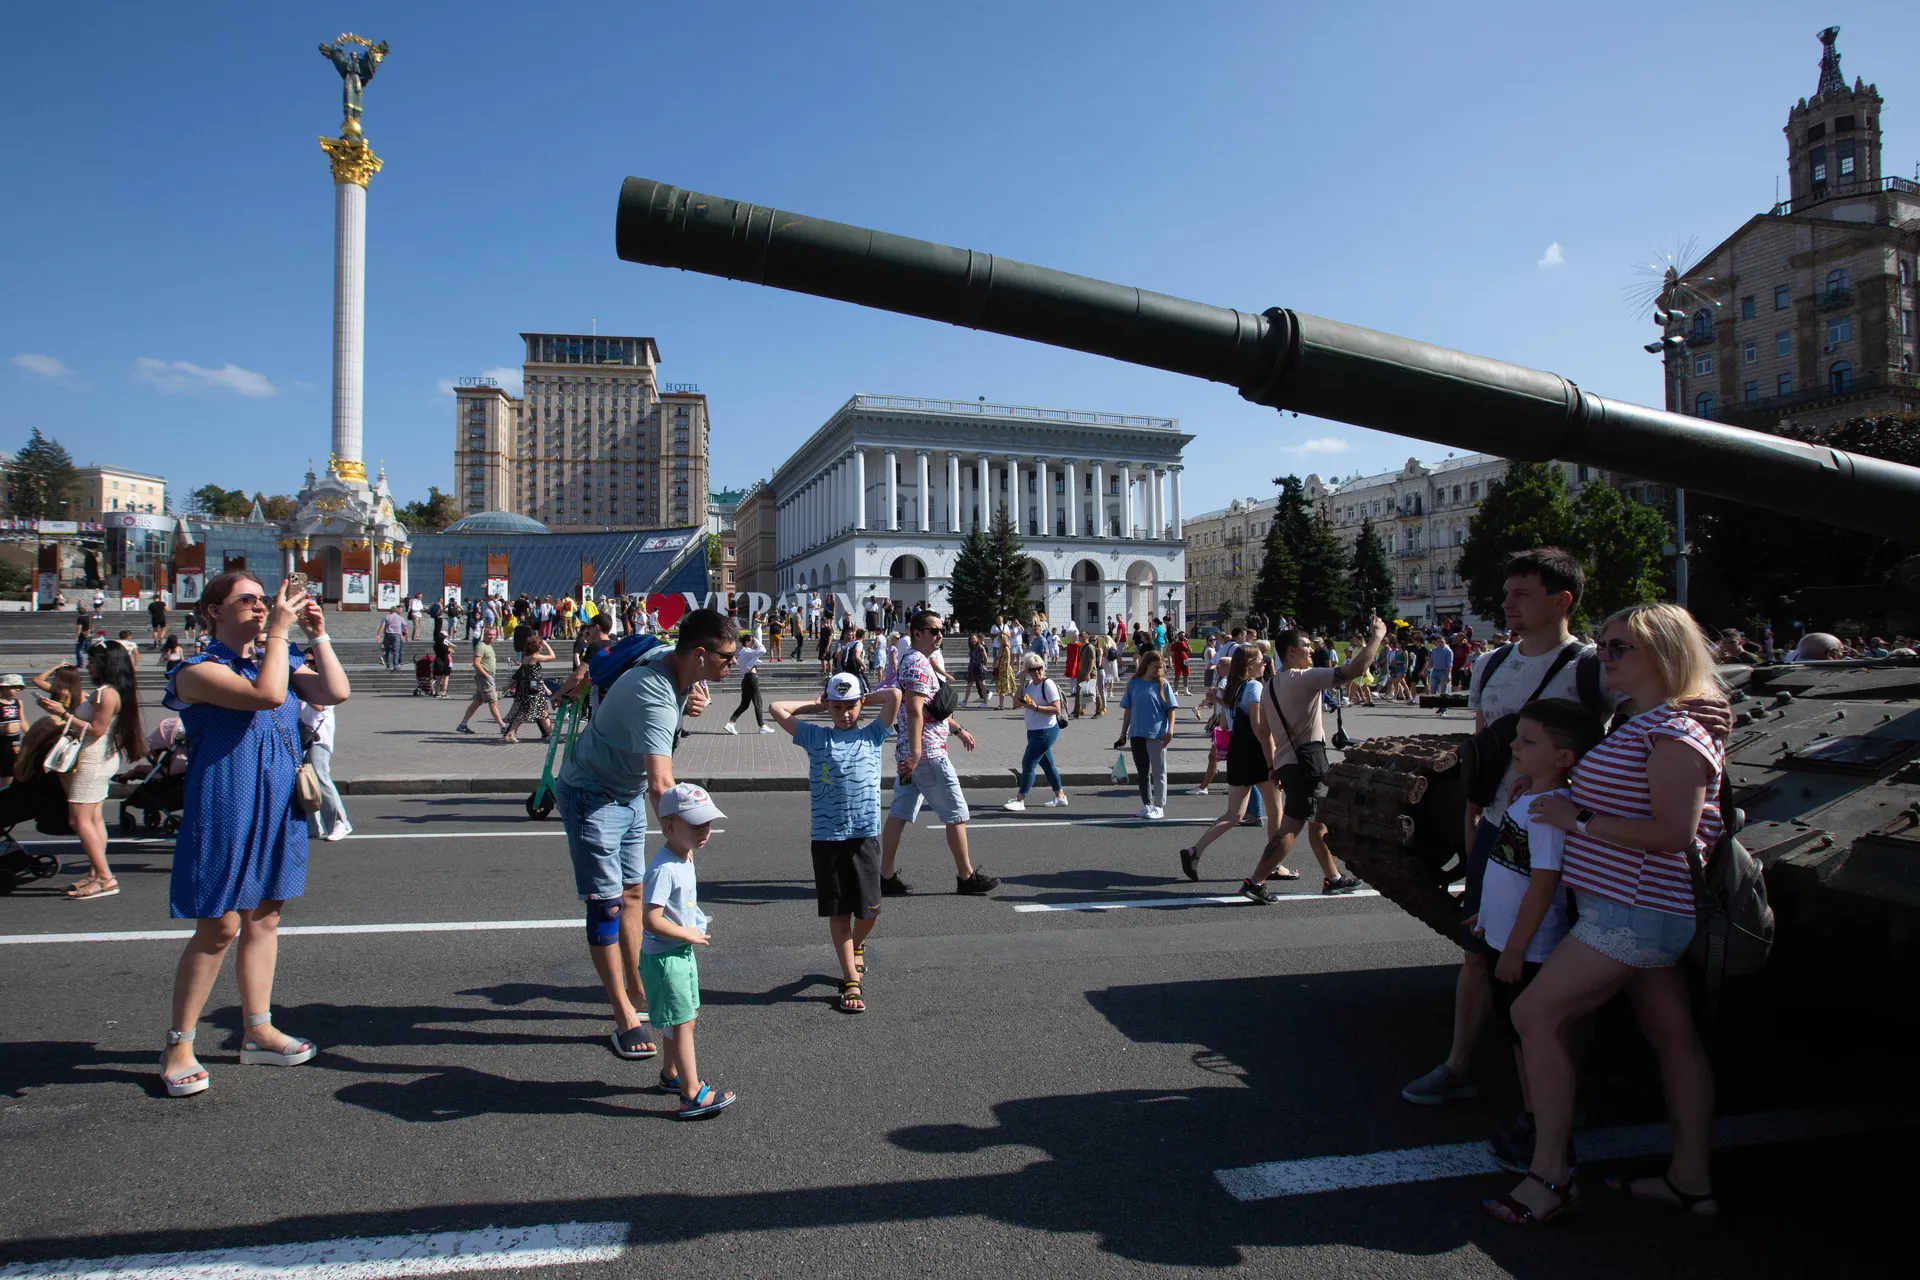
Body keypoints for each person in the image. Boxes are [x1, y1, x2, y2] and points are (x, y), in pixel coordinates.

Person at [1487, 603, 1727, 1227]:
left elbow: (1676, 832)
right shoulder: (1639, 721)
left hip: (1635, 909)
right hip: (1628, 905)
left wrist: (1576, 818)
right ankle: (1690, 1182)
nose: (1605, 656)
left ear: (1665, 656)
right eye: (1605, 645)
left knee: (1533, 1015)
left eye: (1620, 648)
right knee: (1672, 1037)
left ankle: (1550, 1175)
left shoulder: (1672, 733)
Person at [159, 572, 350, 1098]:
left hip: (276, 799)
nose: (262, 607)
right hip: (224, 801)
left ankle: (257, 1029)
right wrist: (282, 632)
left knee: (265, 916)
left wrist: (319, 634)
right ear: (212, 611)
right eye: (247, 600)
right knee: (220, 925)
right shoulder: (195, 671)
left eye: (264, 600)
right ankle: (178, 1044)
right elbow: (267, 697)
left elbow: (335, 691)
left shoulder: (282, 660)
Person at [553, 609, 729, 1066]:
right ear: (700, 654)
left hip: (624, 792)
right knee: (607, 903)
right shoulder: (654, 695)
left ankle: (636, 986)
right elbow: (661, 783)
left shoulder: (672, 664)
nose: (734, 665)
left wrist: (688, 695)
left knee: (633, 893)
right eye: (727, 657)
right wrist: (683, 840)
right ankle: (623, 1015)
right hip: (593, 795)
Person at [1469, 698, 1599, 1175]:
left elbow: (1544, 883)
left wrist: (1517, 948)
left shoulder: (1549, 810)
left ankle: (1544, 1128)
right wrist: (1484, 917)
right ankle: (1533, 1116)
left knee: (1531, 1038)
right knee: (1516, 1035)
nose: (1514, 746)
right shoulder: (1528, 798)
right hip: (1504, 936)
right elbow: (1509, 869)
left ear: (1563, 758)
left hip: (1528, 947)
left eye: (1528, 741)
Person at [771, 674, 902, 1014]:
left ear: (860, 705)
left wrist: (863, 698)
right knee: (840, 910)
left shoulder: (873, 734)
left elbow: (895, 696)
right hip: (828, 839)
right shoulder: (816, 737)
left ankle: (855, 945)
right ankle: (850, 980)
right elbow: (775, 708)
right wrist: (818, 704)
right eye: (837, 707)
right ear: (828, 707)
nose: (844, 713)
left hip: (864, 835)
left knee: (871, 909)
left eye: (850, 706)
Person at [1239, 616, 1387, 901]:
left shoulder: (1268, 686)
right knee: (1292, 824)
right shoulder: (1307, 678)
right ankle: (1255, 882)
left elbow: (1264, 731)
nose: (1311, 650)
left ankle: (1333, 877)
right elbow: (1355, 669)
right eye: (1306, 646)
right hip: (1309, 760)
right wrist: (1377, 637)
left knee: (1318, 820)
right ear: (1290, 652)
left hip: (1287, 761)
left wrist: (1273, 766)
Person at [878, 610, 998, 897]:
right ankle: (966, 876)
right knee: (956, 813)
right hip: (927, 754)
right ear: (917, 633)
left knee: (899, 812)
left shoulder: (913, 660)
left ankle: (884, 875)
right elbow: (915, 709)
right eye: (933, 630)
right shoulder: (919, 664)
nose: (939, 635)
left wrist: (957, 729)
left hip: (910, 753)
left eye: (941, 629)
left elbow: (932, 709)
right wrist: (918, 753)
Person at [640, 782, 736, 1118]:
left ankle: (671, 1075)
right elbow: (650, 920)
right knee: (682, 1023)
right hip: (667, 957)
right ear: (669, 827)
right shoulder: (664, 869)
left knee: (685, 1017)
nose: (705, 830)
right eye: (696, 824)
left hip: (679, 952)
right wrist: (688, 933)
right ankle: (692, 1094)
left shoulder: (683, 853)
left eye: (707, 822)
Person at [39, 643, 147, 900]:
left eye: (91, 661)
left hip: (92, 759)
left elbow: (97, 729)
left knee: (79, 819)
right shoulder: (111, 691)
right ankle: (96, 874)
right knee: (94, 818)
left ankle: (106, 877)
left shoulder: (106, 693)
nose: (87, 666)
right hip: (100, 757)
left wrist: (63, 713)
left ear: (105, 663)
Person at [1177, 645, 1278, 876]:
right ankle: (1274, 864)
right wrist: (1272, 762)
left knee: (1234, 814)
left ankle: (1195, 850)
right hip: (1255, 754)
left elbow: (1223, 725)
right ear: (1249, 664)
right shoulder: (1254, 686)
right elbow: (1258, 727)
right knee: (1275, 811)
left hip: (1236, 753)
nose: (1266, 663)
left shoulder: (1233, 687)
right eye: (1261, 660)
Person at [1116, 651, 1178, 819]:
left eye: (1161, 667)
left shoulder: (1162, 684)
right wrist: (1123, 733)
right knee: (1142, 772)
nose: (1159, 670)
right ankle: (1147, 804)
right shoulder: (1134, 683)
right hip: (1137, 733)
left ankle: (1159, 805)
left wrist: (1170, 731)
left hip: (1156, 734)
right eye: (1155, 667)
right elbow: (1128, 709)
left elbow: (1171, 709)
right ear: (1146, 665)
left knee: (1158, 771)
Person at [1004, 653, 1068, 811]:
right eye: (1033, 669)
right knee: (1047, 763)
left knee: (1028, 763)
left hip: (1046, 730)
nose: (1038, 672)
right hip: (1033, 730)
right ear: (1027, 671)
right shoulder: (1030, 685)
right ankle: (1060, 796)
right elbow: (1016, 704)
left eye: (1040, 668)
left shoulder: (1048, 684)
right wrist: (1021, 682)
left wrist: (1036, 708)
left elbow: (1056, 709)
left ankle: (1020, 800)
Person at [299, 691, 351, 842]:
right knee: (305, 780)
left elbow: (321, 706)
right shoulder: (297, 681)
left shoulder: (320, 682)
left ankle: (340, 822)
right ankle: (313, 826)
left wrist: (300, 692)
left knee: (320, 777)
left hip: (319, 737)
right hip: (300, 736)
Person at [501, 630, 557, 744]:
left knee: (526, 712)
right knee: (542, 712)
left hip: (527, 687)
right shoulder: (534, 657)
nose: (541, 647)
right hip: (535, 689)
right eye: (540, 646)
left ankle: (510, 733)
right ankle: (551, 735)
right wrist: (546, 644)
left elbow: (535, 675)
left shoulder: (525, 656)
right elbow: (553, 656)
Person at [456, 625, 504, 733]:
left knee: (477, 701)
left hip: (486, 678)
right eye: (489, 634)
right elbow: (476, 663)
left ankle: (462, 724)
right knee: (493, 702)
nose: (492, 636)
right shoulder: (481, 646)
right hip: (485, 678)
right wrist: (487, 676)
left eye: (494, 635)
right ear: (485, 635)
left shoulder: (489, 646)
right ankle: (502, 726)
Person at [724, 633, 773, 734]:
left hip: (746, 679)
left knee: (745, 704)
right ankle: (762, 726)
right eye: (751, 641)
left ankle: (731, 723)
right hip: (751, 678)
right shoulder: (747, 651)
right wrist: (757, 641)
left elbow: (756, 657)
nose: (753, 643)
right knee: (758, 702)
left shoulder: (744, 653)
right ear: (747, 643)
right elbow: (762, 650)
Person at [1429, 632, 1455, 712]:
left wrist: (1448, 675)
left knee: (1444, 692)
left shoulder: (1448, 651)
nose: (1440, 643)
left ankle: (1444, 709)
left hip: (1444, 672)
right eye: (1438, 642)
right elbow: (1431, 661)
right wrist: (1425, 670)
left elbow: (1449, 664)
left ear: (1445, 642)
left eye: (1442, 642)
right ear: (1436, 642)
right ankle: (1439, 704)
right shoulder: (1434, 650)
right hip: (1435, 672)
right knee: (1432, 690)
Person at [376, 603, 405, 671]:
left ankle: (389, 664)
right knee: (396, 650)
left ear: (391, 611)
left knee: (388, 650)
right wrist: (401, 635)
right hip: (396, 635)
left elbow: (382, 626)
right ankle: (395, 665)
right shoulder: (400, 618)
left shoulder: (387, 617)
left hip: (388, 634)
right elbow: (402, 627)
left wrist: (378, 635)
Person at [963, 634, 989, 707]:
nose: (973, 640)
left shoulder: (980, 647)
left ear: (977, 639)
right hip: (972, 668)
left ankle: (985, 702)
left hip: (979, 668)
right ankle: (965, 701)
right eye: (972, 639)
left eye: (974, 638)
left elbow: (985, 657)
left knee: (982, 685)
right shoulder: (972, 647)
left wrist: (984, 666)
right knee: (969, 684)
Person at [431, 623, 453, 698]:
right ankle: (444, 692)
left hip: (438, 661)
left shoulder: (435, 645)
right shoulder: (444, 645)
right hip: (445, 661)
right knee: (446, 677)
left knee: (438, 678)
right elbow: (452, 651)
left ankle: (436, 692)